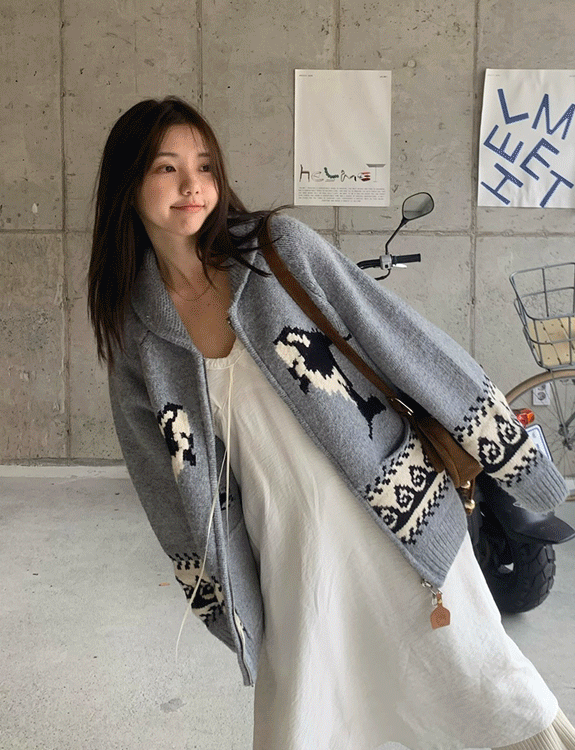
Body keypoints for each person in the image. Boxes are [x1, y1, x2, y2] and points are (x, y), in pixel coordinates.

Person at [88, 95, 575, 750]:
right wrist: (215, 592)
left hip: (394, 516)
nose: (192, 186)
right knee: (312, 715)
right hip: (289, 547)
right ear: (128, 184)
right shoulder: (137, 333)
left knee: (479, 683)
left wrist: (515, 459)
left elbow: (400, 339)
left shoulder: (276, 251)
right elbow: (158, 477)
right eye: (166, 168)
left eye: (204, 166)